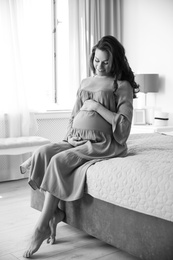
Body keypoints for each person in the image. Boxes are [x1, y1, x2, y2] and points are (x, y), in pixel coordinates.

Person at [23, 35, 139, 258]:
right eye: (96, 60)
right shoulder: (85, 82)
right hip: (77, 138)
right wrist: (67, 141)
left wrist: (96, 106)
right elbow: (74, 115)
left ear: (115, 61)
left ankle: (40, 227)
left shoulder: (121, 86)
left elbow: (123, 129)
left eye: (105, 62)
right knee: (42, 152)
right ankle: (55, 213)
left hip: (104, 144)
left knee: (58, 162)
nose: (100, 66)